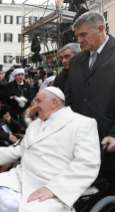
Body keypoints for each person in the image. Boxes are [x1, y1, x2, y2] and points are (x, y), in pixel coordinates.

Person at [0, 87, 101, 212]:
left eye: (38, 101)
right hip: (22, 176)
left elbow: (87, 163)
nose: (34, 107)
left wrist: (54, 189)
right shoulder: (35, 125)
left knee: (23, 206)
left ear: (53, 102)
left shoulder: (83, 124)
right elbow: (22, 150)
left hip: (52, 182)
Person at [64, 11, 115, 189]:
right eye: (77, 36)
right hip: (79, 148)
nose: (79, 40)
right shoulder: (76, 60)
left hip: (108, 145)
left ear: (101, 29)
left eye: (83, 34)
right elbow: (69, 97)